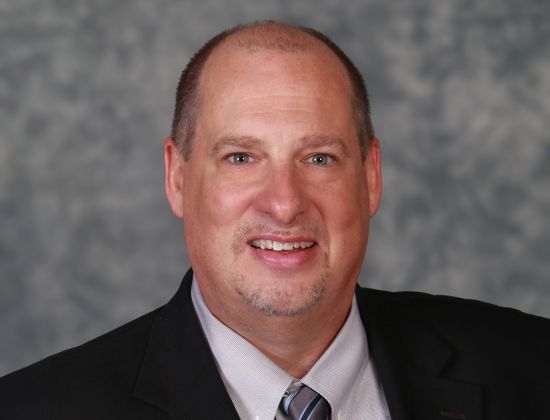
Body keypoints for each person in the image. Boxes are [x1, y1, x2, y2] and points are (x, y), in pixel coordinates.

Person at [0, 21, 549, 420]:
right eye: (241, 157)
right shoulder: (34, 408)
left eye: (319, 158)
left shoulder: (531, 369)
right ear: (178, 178)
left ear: (371, 178)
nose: (285, 204)